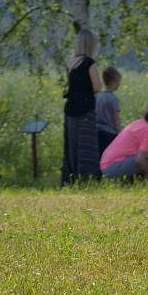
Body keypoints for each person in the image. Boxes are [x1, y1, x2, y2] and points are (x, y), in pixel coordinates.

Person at [61, 28, 102, 185]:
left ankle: (70, 177)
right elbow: (97, 87)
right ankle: (86, 177)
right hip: (85, 110)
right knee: (86, 145)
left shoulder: (70, 62)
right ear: (91, 44)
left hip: (70, 108)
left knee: (71, 145)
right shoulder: (90, 64)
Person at [100, 107, 148, 182]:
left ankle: (145, 180)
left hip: (107, 167)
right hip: (114, 167)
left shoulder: (139, 123)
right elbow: (140, 159)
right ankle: (147, 183)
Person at [97, 66, 122, 156]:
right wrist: (120, 135)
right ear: (113, 81)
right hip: (110, 135)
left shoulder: (99, 96)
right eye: (119, 81)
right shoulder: (113, 98)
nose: (119, 84)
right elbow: (116, 119)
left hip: (98, 132)